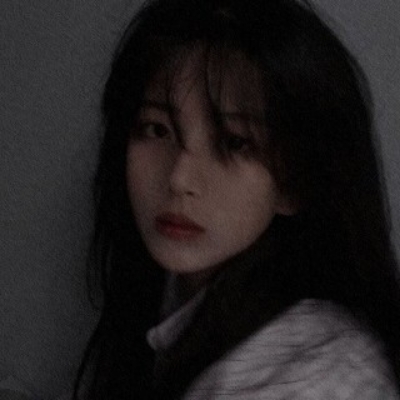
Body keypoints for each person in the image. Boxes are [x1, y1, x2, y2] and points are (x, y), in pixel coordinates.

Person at [74, 0, 400, 398]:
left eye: (233, 142)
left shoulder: (314, 375)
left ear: (294, 181)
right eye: (157, 130)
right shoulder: (172, 297)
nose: (178, 179)